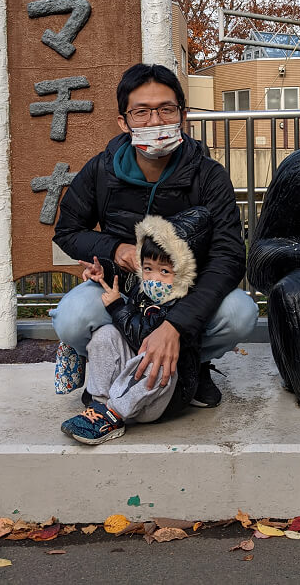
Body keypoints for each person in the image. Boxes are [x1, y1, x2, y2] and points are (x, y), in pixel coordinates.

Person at [50, 63, 257, 409]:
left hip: (186, 292)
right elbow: (68, 231)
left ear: (183, 115)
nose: (156, 122)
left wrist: (175, 325)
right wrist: (115, 249)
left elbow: (229, 255)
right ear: (123, 121)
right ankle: (110, 364)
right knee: (72, 318)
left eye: (166, 110)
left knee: (241, 314)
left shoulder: (209, 175)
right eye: (141, 112)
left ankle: (190, 363)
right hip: (121, 286)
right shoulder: (101, 169)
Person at [61, 208, 210, 444]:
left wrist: (118, 307)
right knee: (105, 334)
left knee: (155, 356)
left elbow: (147, 338)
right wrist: (104, 271)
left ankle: (114, 414)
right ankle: (99, 405)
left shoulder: (185, 302)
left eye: (165, 271)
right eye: (148, 268)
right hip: (133, 387)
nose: (154, 278)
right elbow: (126, 278)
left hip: (159, 398)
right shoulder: (144, 286)